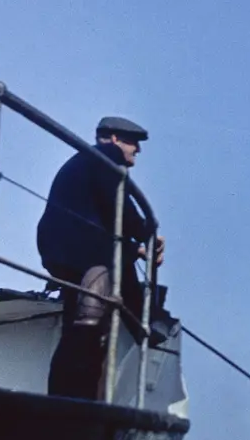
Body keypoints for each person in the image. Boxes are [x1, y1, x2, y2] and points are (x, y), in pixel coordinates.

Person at [37, 115, 165, 401]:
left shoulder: (87, 162)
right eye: (133, 143)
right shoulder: (107, 156)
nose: (137, 150)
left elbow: (103, 218)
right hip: (82, 249)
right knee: (87, 326)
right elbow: (118, 205)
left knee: (80, 320)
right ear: (115, 139)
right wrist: (147, 232)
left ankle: (64, 395)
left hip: (67, 246)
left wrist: (137, 249)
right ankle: (148, 322)